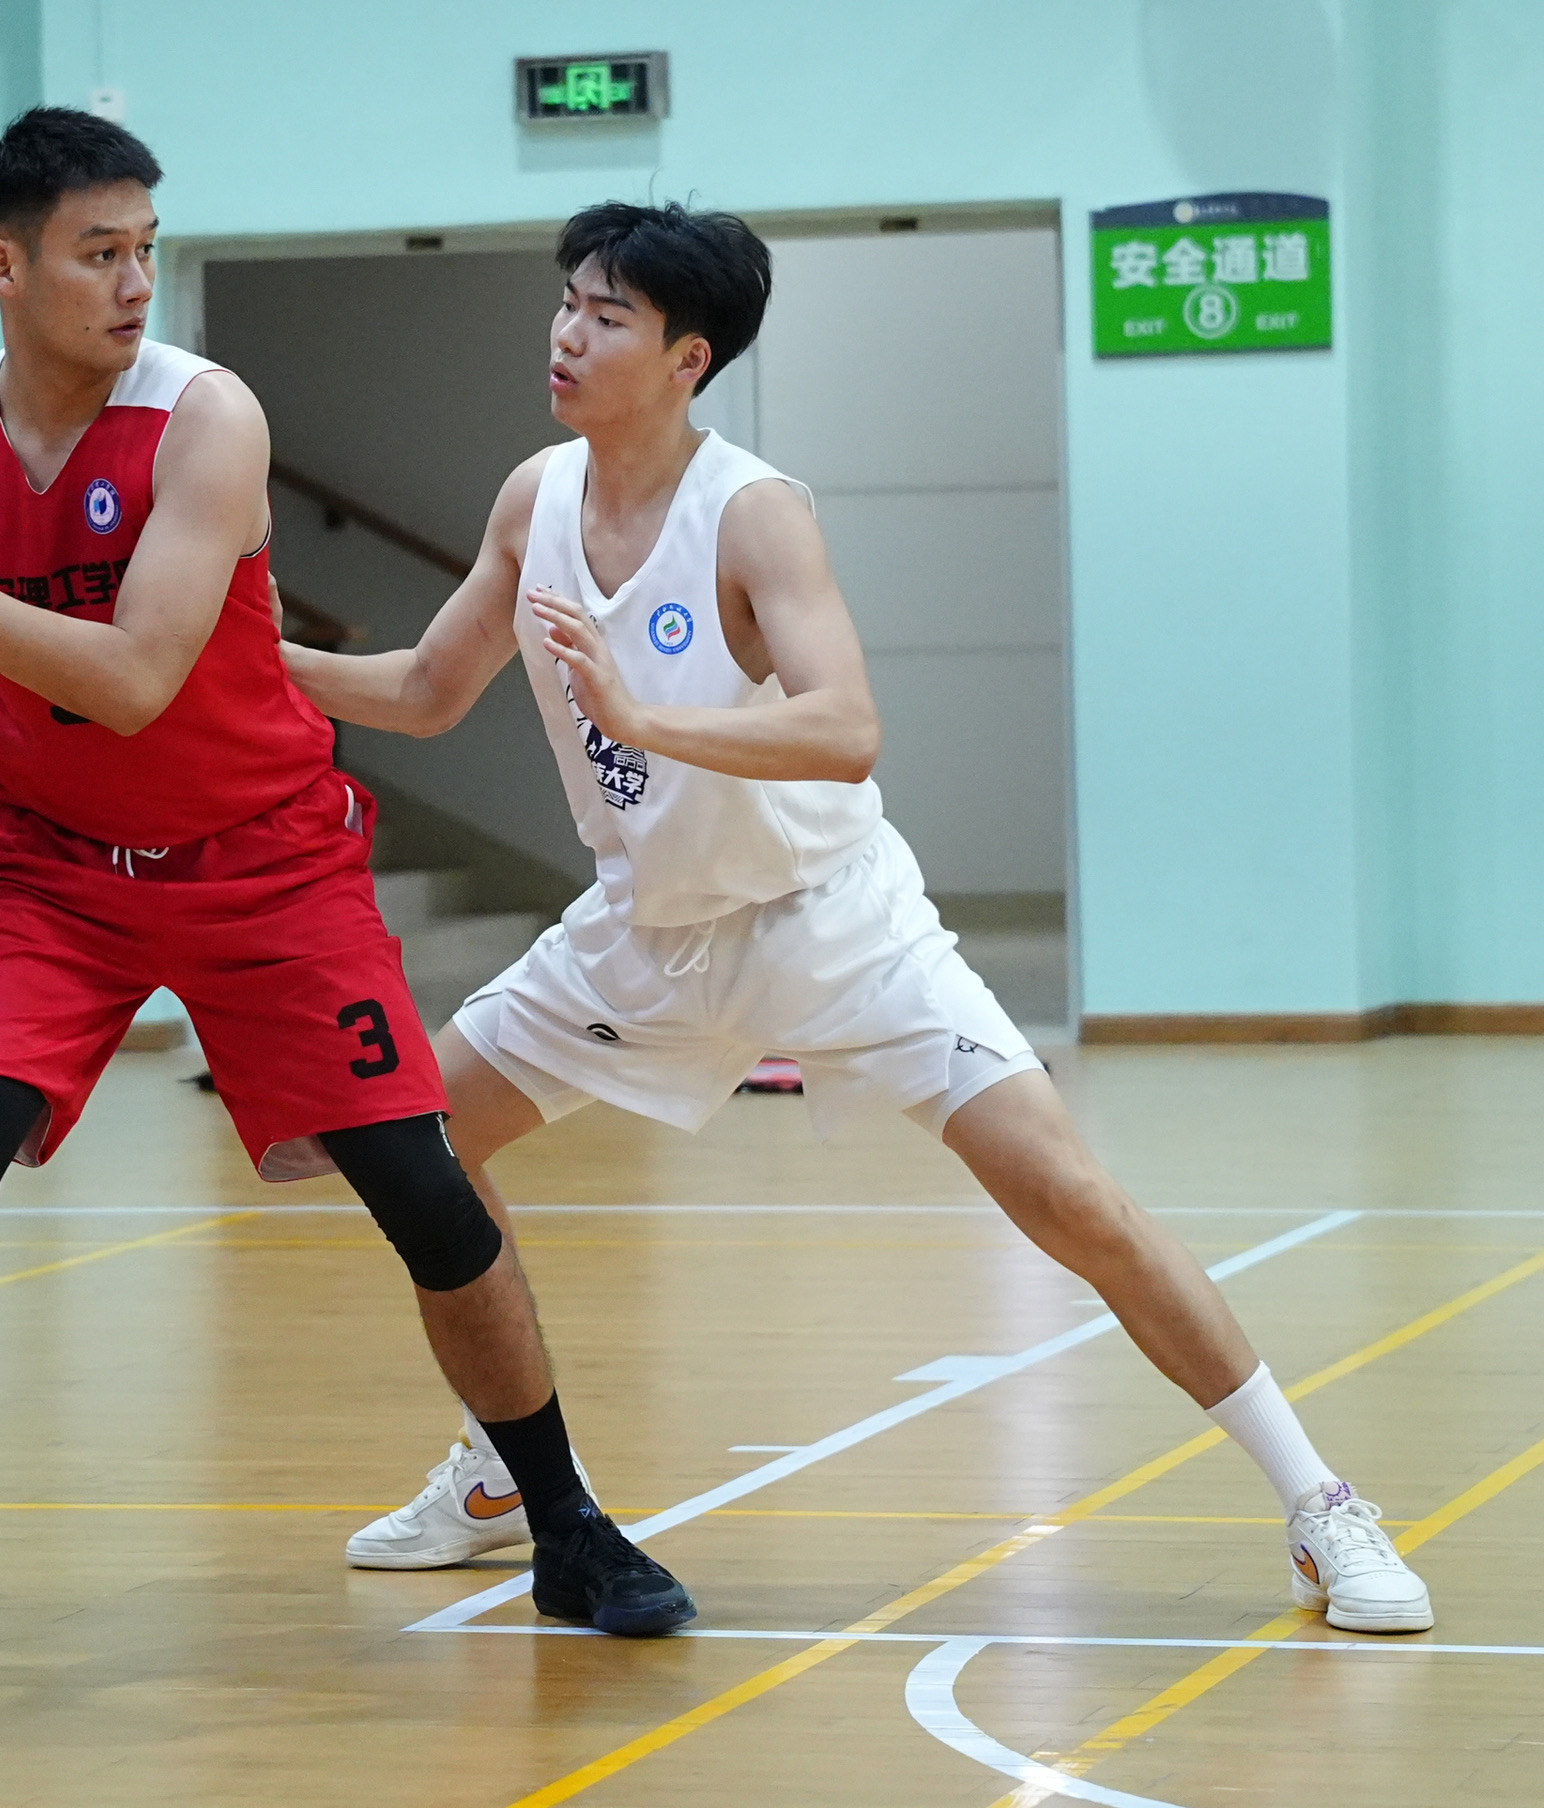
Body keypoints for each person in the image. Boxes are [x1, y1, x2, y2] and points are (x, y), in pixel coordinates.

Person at [280, 201, 1434, 1635]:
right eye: (566, 302)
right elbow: (423, 691)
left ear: (689, 358)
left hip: (832, 922)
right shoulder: (537, 500)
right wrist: (249, 661)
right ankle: (508, 1471)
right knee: (420, 1148)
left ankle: (1321, 1506)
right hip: (644, 933)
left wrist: (648, 717)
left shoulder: (753, 510)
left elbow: (846, 727)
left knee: (1071, 1201)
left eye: (607, 316)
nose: (567, 335)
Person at [0, 112, 693, 1698]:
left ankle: (567, 1524)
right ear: (4, 264)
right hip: (46, 872)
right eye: (98, 252)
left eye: (146, 248)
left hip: (265, 863)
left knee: (427, 1192)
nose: (134, 281)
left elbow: (136, 678)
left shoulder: (204, 417)